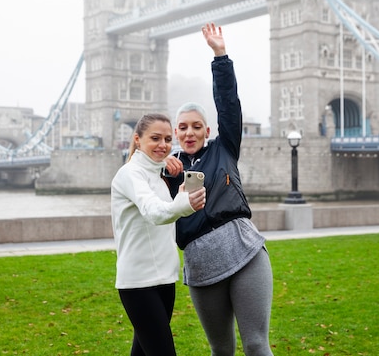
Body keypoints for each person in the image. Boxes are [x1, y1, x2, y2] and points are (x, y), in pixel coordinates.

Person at [164, 23, 274, 356]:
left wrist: (220, 56)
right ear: (175, 133)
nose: (190, 132)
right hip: (201, 264)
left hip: (244, 252)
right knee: (221, 350)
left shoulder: (224, 148)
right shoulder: (168, 169)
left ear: (207, 130)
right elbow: (136, 183)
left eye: (197, 126)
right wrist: (163, 168)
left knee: (256, 344)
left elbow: (229, 105)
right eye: (183, 127)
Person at [111, 113, 206, 356]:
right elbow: (154, 212)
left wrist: (167, 168)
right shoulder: (129, 174)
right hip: (139, 282)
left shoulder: (157, 174)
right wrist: (184, 203)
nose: (163, 145)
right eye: (155, 138)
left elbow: (162, 210)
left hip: (164, 279)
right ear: (137, 139)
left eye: (166, 139)